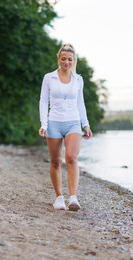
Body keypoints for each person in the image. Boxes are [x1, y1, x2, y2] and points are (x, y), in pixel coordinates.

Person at [39, 43, 93, 211]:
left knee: (71, 158)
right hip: (54, 122)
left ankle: (73, 198)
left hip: (73, 122)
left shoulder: (78, 80)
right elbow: (43, 101)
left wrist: (86, 124)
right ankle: (59, 197)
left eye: (70, 59)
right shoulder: (49, 77)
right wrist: (44, 123)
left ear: (73, 60)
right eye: (63, 59)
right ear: (59, 59)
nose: (66, 62)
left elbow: (80, 103)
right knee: (56, 161)